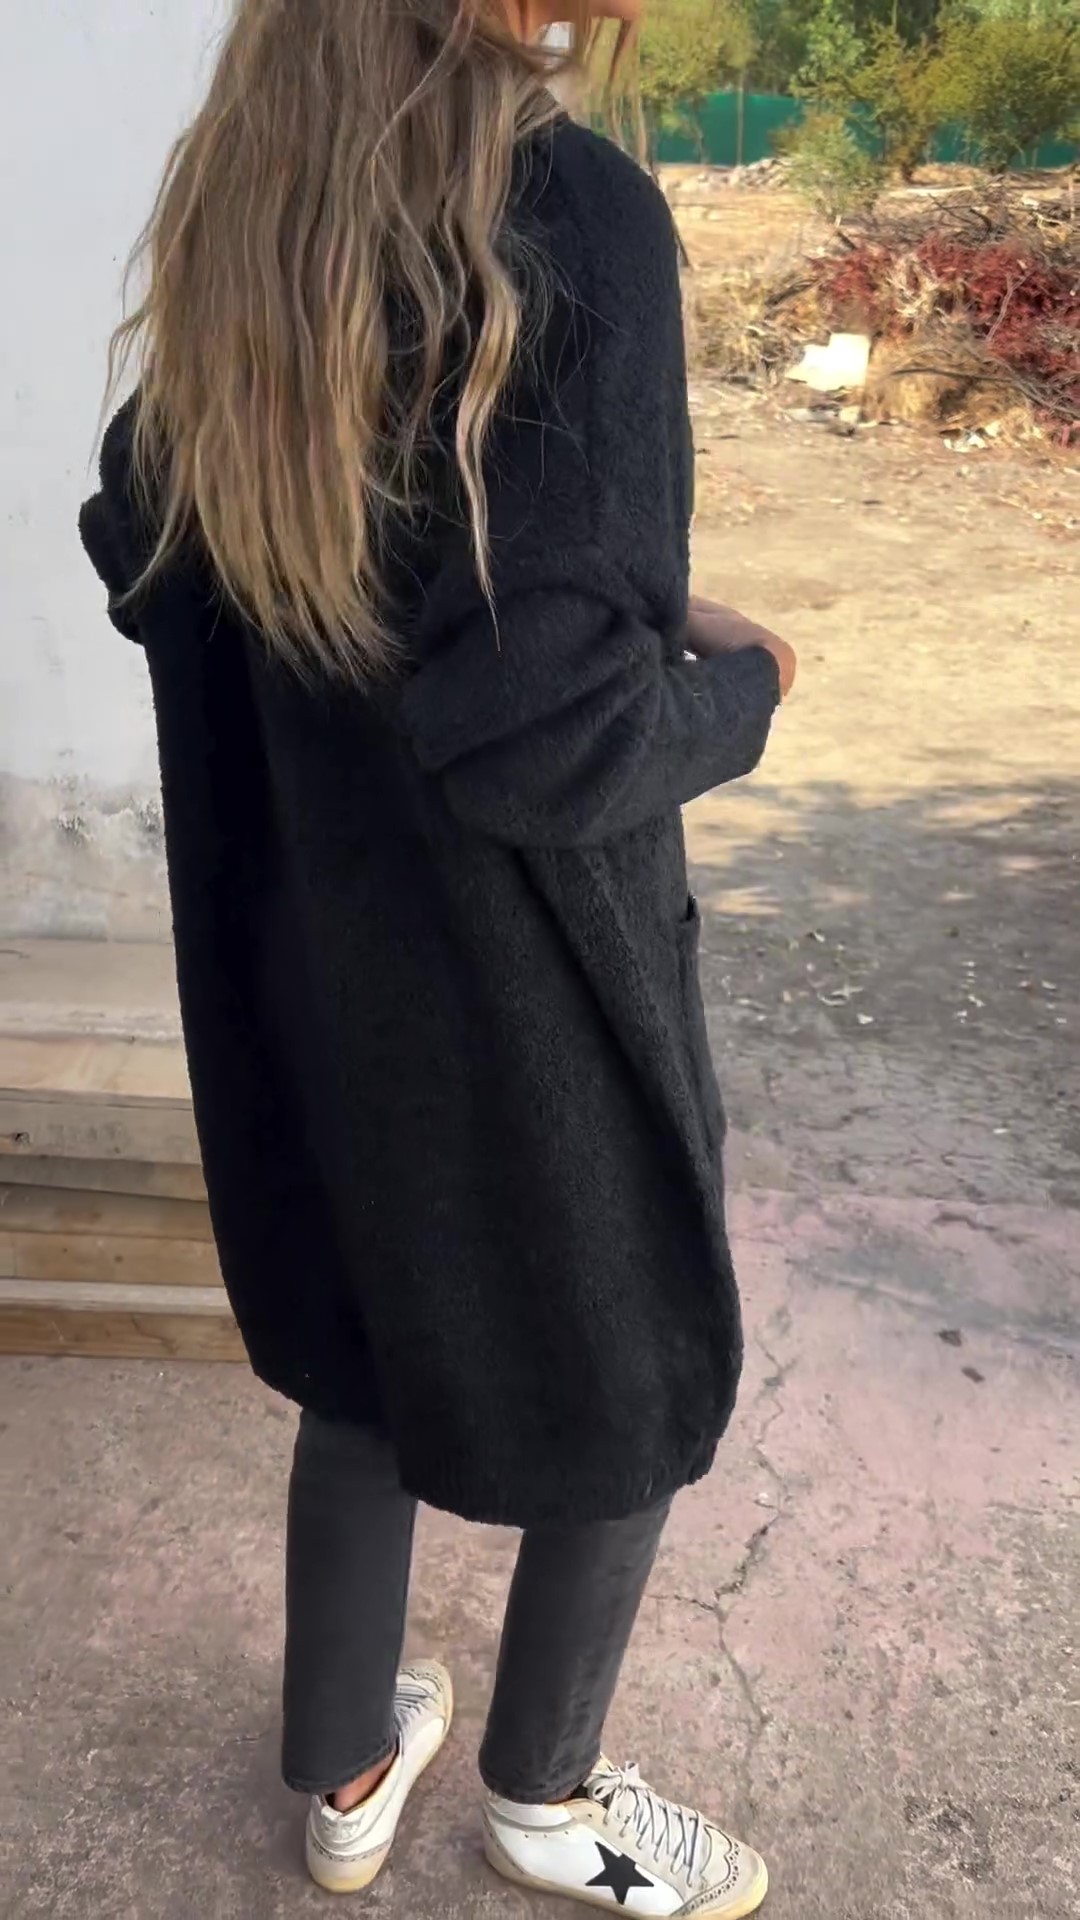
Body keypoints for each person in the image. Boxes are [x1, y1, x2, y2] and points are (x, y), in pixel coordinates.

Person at [80, 0, 796, 1912]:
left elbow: (150, 538)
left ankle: (344, 1769)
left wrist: (635, 596)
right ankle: (547, 1804)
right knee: (634, 1376)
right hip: (528, 985)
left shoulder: (253, 220)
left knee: (370, 1350)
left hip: (311, 963)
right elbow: (553, 733)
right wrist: (740, 692)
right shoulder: (567, 213)